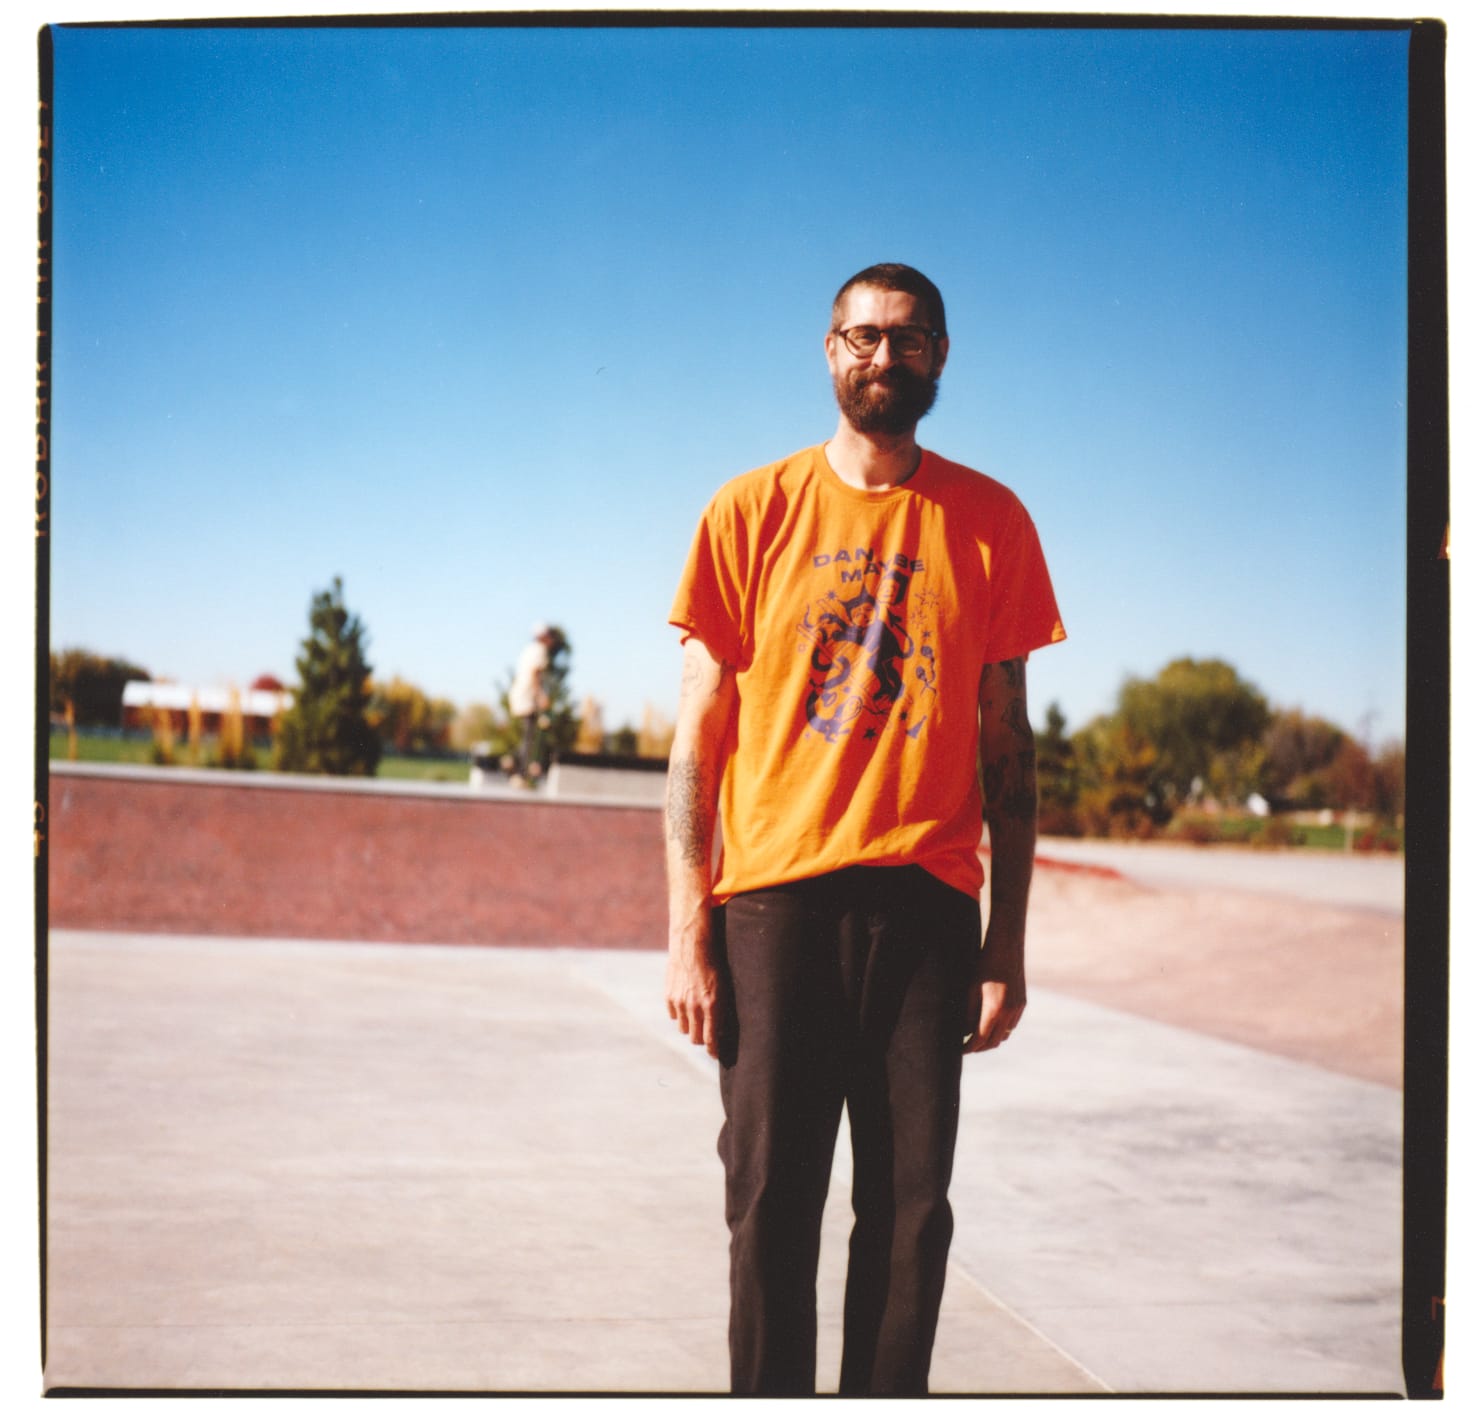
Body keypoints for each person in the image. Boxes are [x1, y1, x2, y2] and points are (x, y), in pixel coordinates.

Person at [664, 263, 1066, 1395]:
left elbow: (1007, 747)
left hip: (930, 909)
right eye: (862, 336)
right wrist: (687, 931)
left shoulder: (991, 521)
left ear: (941, 354)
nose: (882, 357)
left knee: (909, 1217)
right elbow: (699, 739)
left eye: (908, 338)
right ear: (828, 349)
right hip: (775, 906)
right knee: (769, 1205)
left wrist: (1007, 940)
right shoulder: (748, 511)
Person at [507, 622, 557, 783]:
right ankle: (521, 772)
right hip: (528, 698)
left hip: (519, 695)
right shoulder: (539, 650)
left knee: (527, 735)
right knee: (529, 736)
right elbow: (535, 673)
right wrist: (541, 695)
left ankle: (516, 765)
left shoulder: (528, 650)